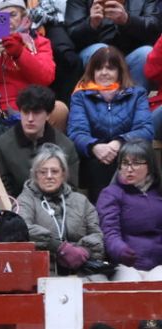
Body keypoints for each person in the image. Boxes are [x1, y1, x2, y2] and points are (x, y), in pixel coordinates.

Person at [68, 45, 152, 194]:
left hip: (127, 153)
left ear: (120, 72)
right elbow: (76, 132)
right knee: (97, 165)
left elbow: (145, 129)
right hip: (95, 158)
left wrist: (118, 143)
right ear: (92, 71)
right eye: (99, 68)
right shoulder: (80, 96)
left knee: (131, 160)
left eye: (110, 68)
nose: (104, 73)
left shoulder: (137, 94)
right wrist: (94, 147)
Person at [16, 144, 106, 275]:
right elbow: (21, 228)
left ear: (63, 174)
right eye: (43, 171)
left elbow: (97, 235)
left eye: (55, 171)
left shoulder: (81, 201)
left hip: (82, 269)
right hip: (42, 270)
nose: (49, 176)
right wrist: (58, 247)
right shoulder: (25, 200)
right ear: (35, 174)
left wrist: (85, 251)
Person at [0, 0, 55, 119]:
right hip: (0, 109)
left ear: (23, 16)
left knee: (60, 109)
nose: (8, 21)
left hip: (35, 105)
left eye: (13, 15)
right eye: (2, 17)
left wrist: (20, 53)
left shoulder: (39, 42)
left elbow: (46, 78)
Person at [0, 84, 79, 193]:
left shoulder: (66, 146)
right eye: (26, 112)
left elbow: (70, 189)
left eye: (36, 113)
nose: (30, 119)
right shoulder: (1, 146)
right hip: (19, 207)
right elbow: (4, 192)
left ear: (48, 115)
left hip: (58, 206)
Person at [96, 139, 162, 280]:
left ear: (150, 165)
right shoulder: (111, 193)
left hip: (158, 264)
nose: (129, 169)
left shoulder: (159, 193)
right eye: (125, 163)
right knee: (130, 282)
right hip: (125, 265)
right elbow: (109, 231)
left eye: (136, 163)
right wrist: (120, 250)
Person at [65, 0, 160, 88]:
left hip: (132, 53)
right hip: (93, 50)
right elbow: (72, 35)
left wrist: (127, 20)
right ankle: (101, 103)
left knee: (146, 53)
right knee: (102, 52)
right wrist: (91, 24)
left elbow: (154, 29)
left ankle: (133, 101)